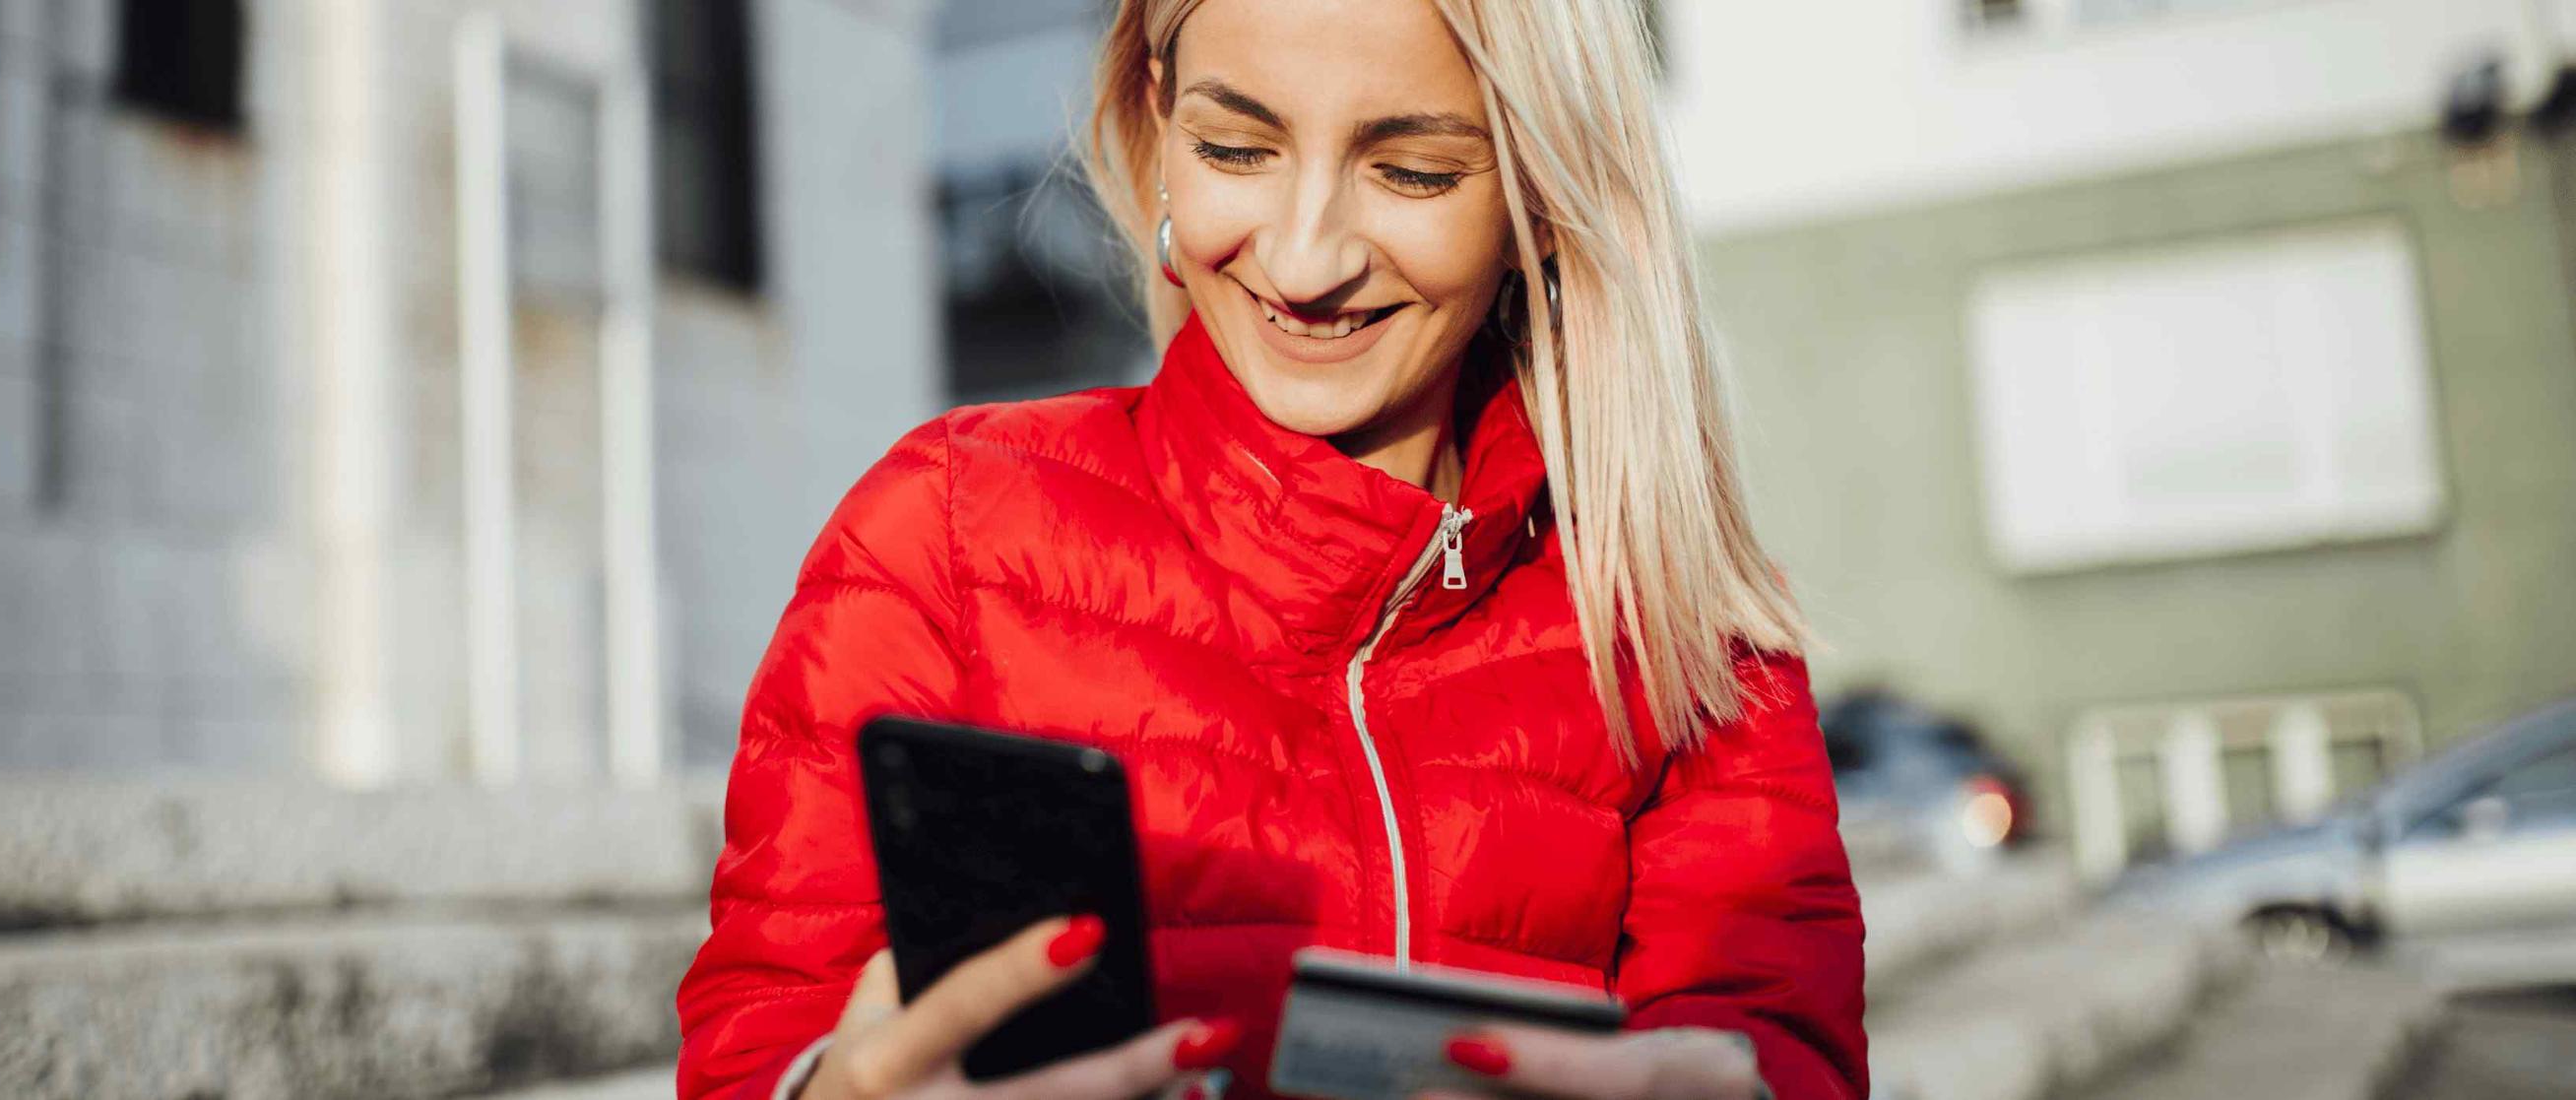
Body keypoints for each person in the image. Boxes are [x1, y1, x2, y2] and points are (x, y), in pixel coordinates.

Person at [674, 1, 1866, 1098]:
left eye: (1412, 171)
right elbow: (761, 1041)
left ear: (1539, 199)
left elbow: (1778, 1043)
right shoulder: (942, 534)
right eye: (1236, 150)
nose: (1303, 261)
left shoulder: (1680, 625)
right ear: (1156, 116)